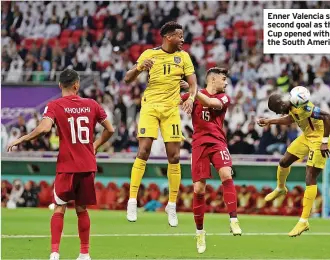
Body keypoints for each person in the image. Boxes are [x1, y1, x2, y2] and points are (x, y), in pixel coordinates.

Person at [7, 69, 115, 260]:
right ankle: (84, 253)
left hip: (67, 166)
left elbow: (44, 129)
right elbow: (110, 129)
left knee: (59, 208)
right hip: (88, 165)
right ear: (77, 85)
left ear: (59, 85)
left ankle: (55, 253)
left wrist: (22, 138)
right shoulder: (91, 104)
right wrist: (95, 145)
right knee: (82, 209)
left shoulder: (55, 105)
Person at [124, 21, 198, 226]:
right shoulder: (149, 54)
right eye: (179, 36)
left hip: (171, 110)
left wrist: (191, 97)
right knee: (143, 151)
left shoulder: (183, 57)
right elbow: (127, 79)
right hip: (150, 107)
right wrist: (139, 68)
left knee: (174, 156)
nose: (182, 39)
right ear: (168, 37)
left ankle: (171, 205)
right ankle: (132, 200)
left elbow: (193, 83)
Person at [257, 88, 330, 237]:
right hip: (307, 137)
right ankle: (280, 188)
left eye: (278, 110)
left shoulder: (302, 105)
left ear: (281, 103)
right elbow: (291, 118)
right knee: (284, 161)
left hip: (319, 140)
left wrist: (324, 142)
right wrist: (270, 121)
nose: (279, 113)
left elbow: (327, 116)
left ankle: (304, 221)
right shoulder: (290, 106)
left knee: (310, 177)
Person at [180, 67, 241, 254]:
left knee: (226, 173)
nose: (226, 82)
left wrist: (192, 90)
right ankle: (200, 232)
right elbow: (172, 102)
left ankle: (233, 220)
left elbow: (210, 103)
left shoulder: (224, 98)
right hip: (199, 144)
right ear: (212, 79)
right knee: (199, 189)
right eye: (223, 79)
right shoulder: (194, 94)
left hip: (217, 142)